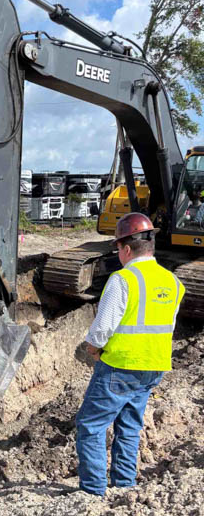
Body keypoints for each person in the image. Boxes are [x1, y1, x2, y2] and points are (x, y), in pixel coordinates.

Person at [75, 212, 184, 496]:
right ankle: (124, 484)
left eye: (117, 250)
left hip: (120, 365)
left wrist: (92, 347)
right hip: (154, 367)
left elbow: (103, 327)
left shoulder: (123, 279)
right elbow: (168, 325)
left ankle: (92, 491)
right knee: (129, 426)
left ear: (125, 249)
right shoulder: (173, 282)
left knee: (91, 425)